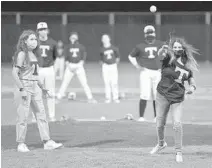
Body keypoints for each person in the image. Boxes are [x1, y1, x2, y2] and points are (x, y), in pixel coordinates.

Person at [12, 30, 63, 152]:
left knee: (41, 115)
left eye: (35, 39)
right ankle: (21, 143)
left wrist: (42, 86)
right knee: (23, 117)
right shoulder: (22, 54)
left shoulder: (33, 54)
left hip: (35, 87)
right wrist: (21, 89)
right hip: (24, 85)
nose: (35, 41)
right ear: (24, 41)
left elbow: (35, 74)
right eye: (31, 39)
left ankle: (47, 142)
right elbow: (14, 73)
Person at [150, 37, 199, 163]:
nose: (177, 49)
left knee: (177, 123)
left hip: (177, 97)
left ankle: (178, 151)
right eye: (175, 47)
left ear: (183, 49)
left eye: (179, 47)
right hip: (162, 94)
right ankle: (161, 144)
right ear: (173, 48)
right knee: (160, 123)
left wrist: (192, 88)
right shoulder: (168, 58)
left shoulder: (187, 65)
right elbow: (159, 55)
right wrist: (162, 49)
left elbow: (191, 79)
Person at [128, 25, 164, 122]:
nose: (150, 34)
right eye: (148, 33)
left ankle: (157, 117)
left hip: (157, 72)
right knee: (144, 94)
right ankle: (141, 117)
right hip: (146, 72)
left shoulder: (160, 44)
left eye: (151, 32)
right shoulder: (140, 46)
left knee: (157, 95)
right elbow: (131, 56)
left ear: (154, 33)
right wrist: (137, 66)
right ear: (145, 35)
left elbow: (168, 55)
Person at [57, 32, 96, 103]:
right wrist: (69, 66)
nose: (73, 39)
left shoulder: (81, 47)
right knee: (65, 82)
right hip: (70, 66)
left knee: (84, 83)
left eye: (74, 37)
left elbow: (83, 58)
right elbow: (66, 58)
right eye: (72, 37)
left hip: (79, 66)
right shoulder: (67, 47)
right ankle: (59, 97)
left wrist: (79, 66)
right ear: (69, 38)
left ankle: (90, 98)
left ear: (77, 38)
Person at [36, 22, 57, 122]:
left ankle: (52, 115)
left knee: (50, 93)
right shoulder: (34, 42)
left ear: (47, 30)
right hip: (38, 69)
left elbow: (55, 57)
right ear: (38, 31)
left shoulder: (53, 42)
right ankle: (37, 116)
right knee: (36, 94)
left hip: (49, 69)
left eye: (44, 29)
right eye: (40, 29)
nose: (43, 31)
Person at [100, 34, 120, 103]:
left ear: (109, 39)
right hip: (105, 66)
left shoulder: (114, 48)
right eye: (103, 38)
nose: (105, 40)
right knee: (106, 82)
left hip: (113, 66)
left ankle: (115, 98)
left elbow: (117, 58)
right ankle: (108, 98)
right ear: (102, 40)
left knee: (114, 82)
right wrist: (105, 64)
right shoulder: (102, 49)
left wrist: (113, 64)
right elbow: (101, 59)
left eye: (106, 38)